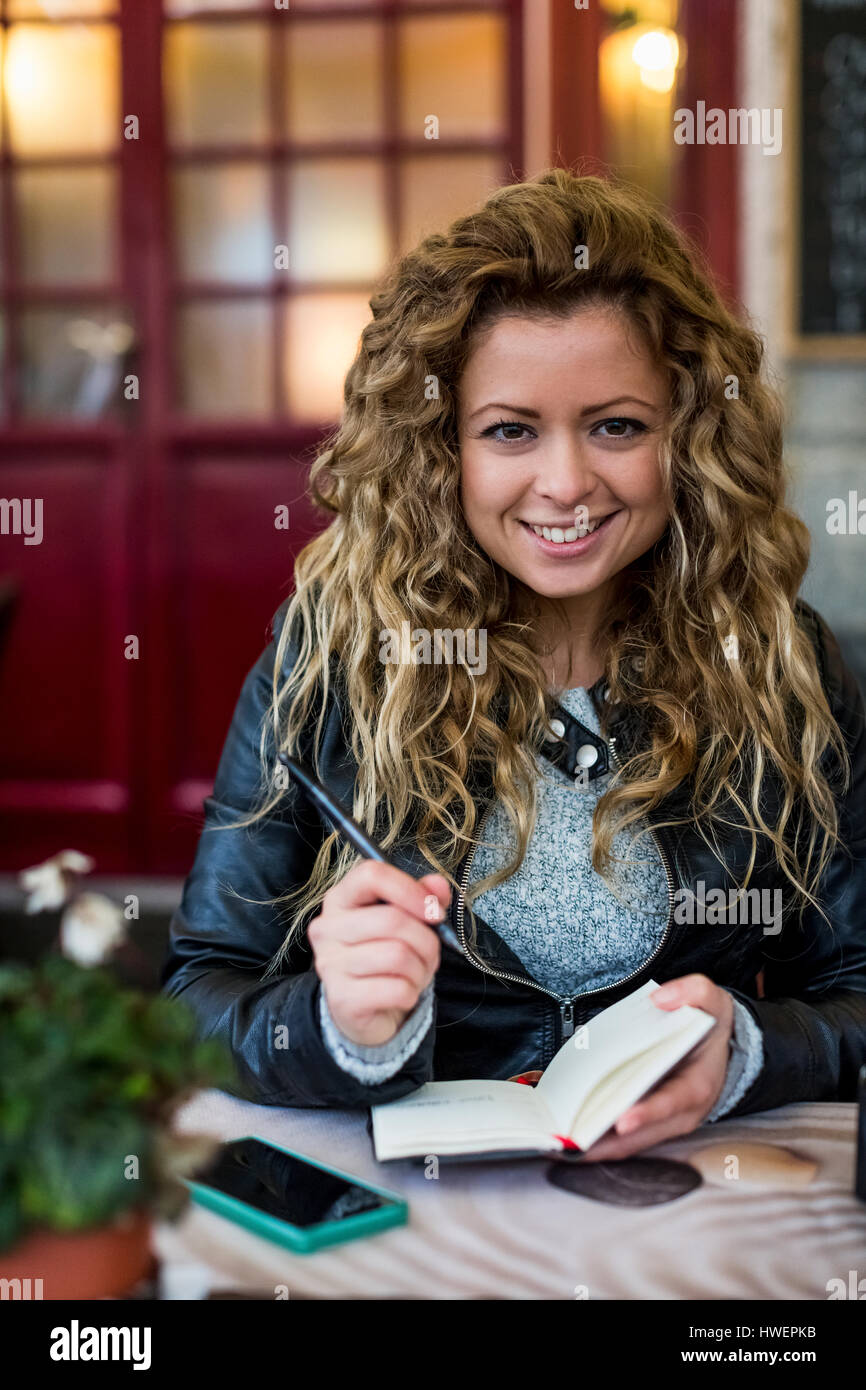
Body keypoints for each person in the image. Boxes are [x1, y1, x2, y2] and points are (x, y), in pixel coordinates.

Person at [162, 168, 866, 1162]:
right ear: (441, 449)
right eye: (510, 431)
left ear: (687, 436)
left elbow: (854, 988)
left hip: (675, 1213)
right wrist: (339, 1029)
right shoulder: (328, 655)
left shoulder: (780, 661)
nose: (566, 483)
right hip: (415, 1225)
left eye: (615, 425)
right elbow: (195, 996)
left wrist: (751, 1049)